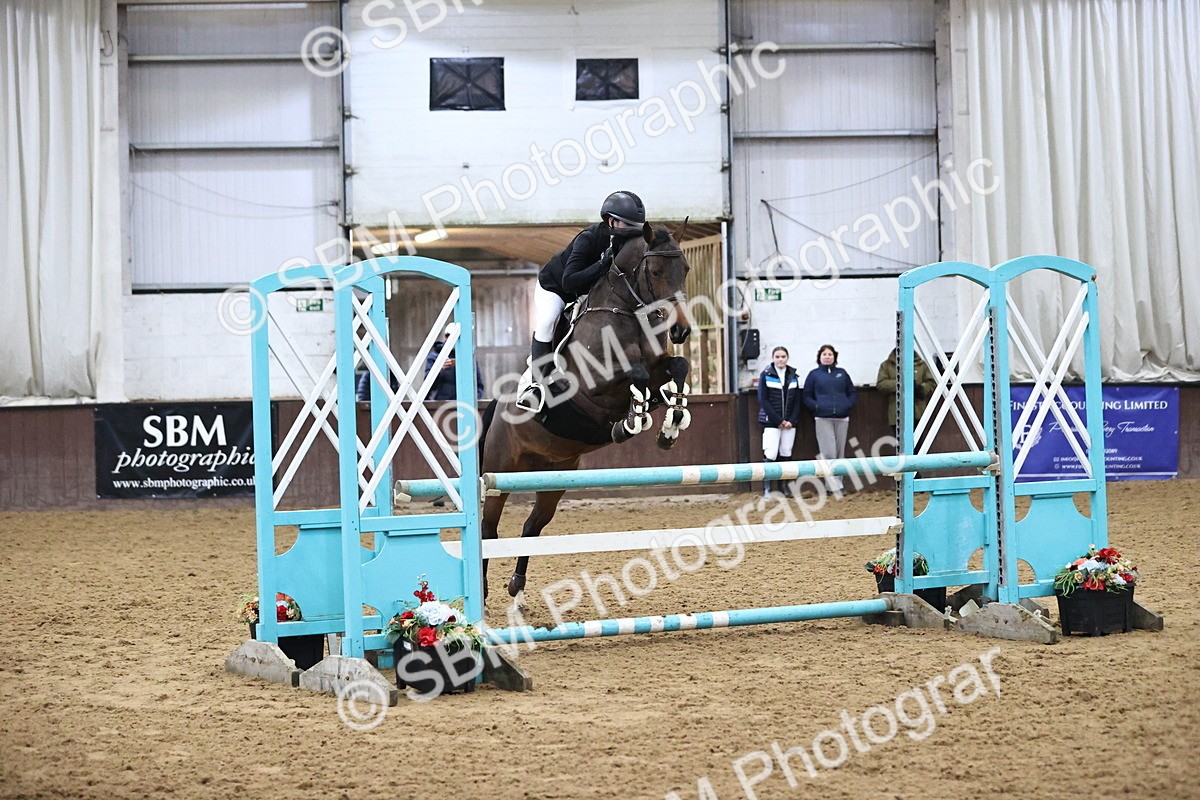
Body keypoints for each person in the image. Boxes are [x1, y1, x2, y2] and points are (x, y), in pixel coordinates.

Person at [516, 190, 648, 411]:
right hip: (557, 288)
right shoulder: (588, 239)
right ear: (611, 221)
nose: (633, 234)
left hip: (591, 290)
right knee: (547, 321)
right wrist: (601, 265)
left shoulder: (630, 241)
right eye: (628, 226)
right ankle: (535, 385)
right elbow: (569, 281)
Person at [802, 344, 858, 495]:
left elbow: (852, 392)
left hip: (842, 417)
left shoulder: (842, 373)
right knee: (829, 453)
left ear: (835, 357)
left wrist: (847, 405)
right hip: (823, 418)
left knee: (840, 453)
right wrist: (817, 407)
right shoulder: (814, 375)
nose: (827, 356)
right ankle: (832, 487)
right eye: (824, 354)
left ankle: (836, 486)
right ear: (819, 357)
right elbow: (806, 395)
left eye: (830, 354)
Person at [756, 346, 801, 498]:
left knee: (786, 453)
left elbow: (797, 401)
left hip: (789, 423)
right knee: (770, 453)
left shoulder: (793, 375)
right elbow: (764, 400)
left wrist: (791, 420)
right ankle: (767, 489)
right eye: (777, 357)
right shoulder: (766, 375)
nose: (780, 359)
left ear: (787, 358)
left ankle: (785, 488)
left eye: (783, 356)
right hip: (771, 422)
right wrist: (778, 420)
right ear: (773, 358)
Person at [875, 347, 937, 436]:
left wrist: (920, 388)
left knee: (919, 445)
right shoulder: (886, 365)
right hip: (897, 414)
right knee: (901, 446)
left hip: (918, 413)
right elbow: (881, 384)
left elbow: (931, 383)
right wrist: (901, 384)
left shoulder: (922, 365)